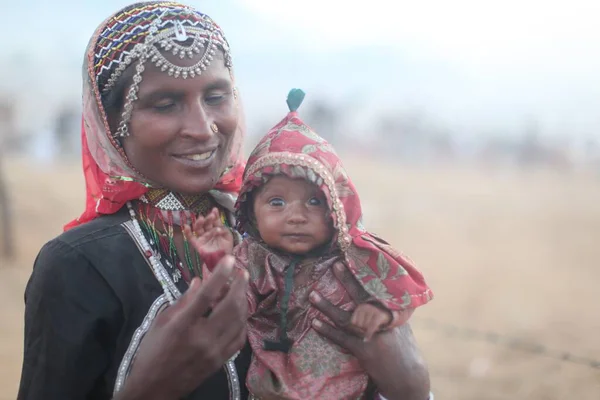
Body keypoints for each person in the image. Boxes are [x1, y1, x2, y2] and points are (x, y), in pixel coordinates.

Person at [18, 2, 433, 399]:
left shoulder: (274, 230)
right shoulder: (78, 265)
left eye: (216, 97)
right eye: (165, 104)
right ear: (112, 125)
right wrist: (149, 390)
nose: (202, 128)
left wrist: (412, 389)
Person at [186, 89, 433, 399]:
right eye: (277, 202)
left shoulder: (352, 259)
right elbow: (234, 304)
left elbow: (400, 294)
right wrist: (219, 262)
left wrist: (382, 313)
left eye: (314, 201)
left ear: (336, 206)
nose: (296, 216)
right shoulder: (255, 259)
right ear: (250, 209)